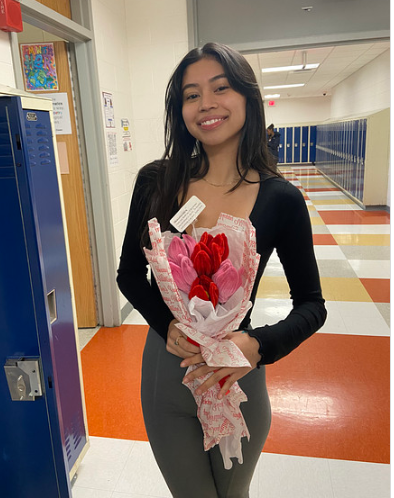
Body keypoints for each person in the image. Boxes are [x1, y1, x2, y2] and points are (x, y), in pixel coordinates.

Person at [117, 42, 326, 498]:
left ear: (249, 100)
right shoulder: (157, 182)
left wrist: (258, 344)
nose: (206, 103)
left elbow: (312, 306)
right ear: (181, 110)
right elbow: (129, 275)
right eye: (191, 95)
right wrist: (167, 323)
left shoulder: (280, 199)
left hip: (238, 372)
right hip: (167, 372)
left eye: (221, 88)